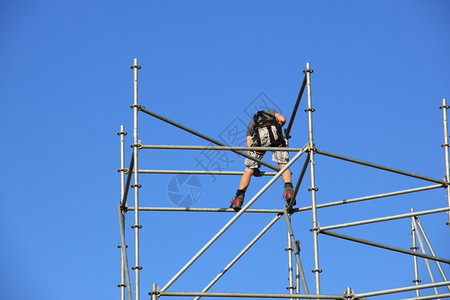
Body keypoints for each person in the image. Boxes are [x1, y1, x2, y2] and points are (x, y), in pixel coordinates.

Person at [230, 109, 294, 210]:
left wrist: (253, 162)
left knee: (249, 170)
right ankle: (289, 191)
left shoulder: (252, 121)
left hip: (259, 137)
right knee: (283, 164)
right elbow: (283, 119)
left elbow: (249, 143)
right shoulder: (271, 112)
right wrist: (279, 127)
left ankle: (239, 198)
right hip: (275, 134)